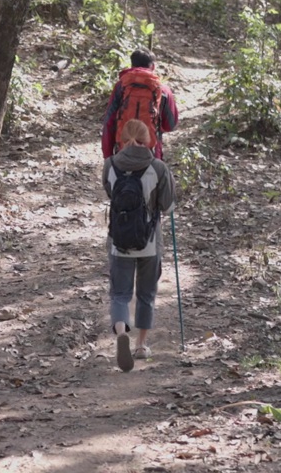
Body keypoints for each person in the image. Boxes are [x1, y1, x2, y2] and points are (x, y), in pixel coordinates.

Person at [103, 118, 176, 372]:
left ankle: (122, 330)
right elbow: (167, 207)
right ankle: (141, 345)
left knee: (120, 294)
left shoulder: (110, 166)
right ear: (150, 142)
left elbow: (111, 195)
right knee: (146, 294)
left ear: (121, 140)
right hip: (149, 242)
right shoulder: (158, 168)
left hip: (119, 241)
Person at [101, 48, 178, 160]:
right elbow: (171, 125)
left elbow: (109, 122)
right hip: (151, 155)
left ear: (132, 66)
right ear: (153, 67)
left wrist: (108, 157)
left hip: (122, 153)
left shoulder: (121, 86)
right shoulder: (163, 90)